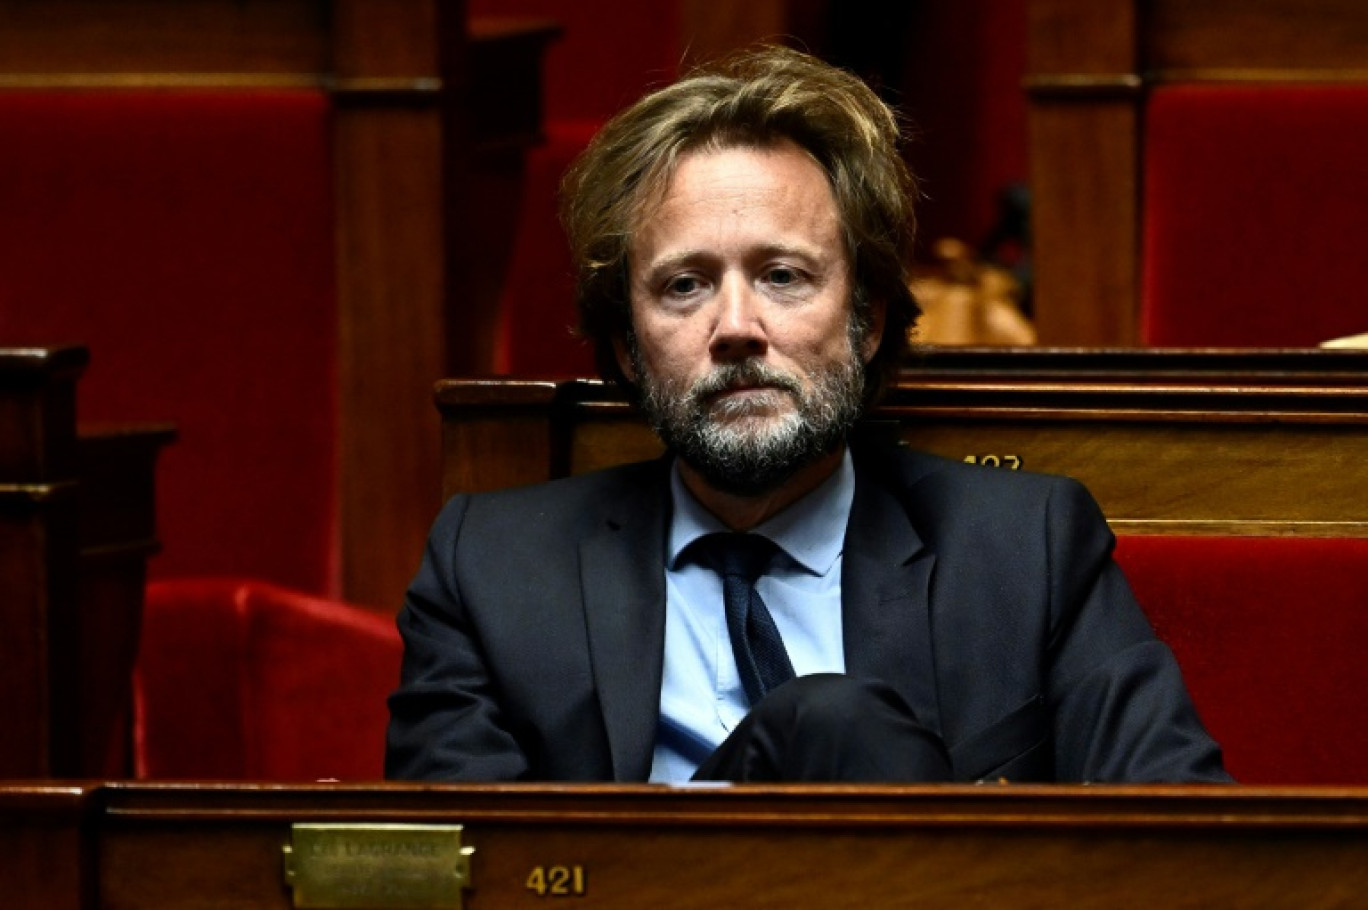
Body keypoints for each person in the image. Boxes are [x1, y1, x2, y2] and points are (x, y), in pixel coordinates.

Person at [386, 46, 1230, 784]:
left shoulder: (1026, 551)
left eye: (784, 275)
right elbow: (455, 873)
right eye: (685, 286)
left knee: (837, 728)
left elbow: (1179, 845)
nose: (737, 330)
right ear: (626, 350)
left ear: (865, 321)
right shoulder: (490, 571)